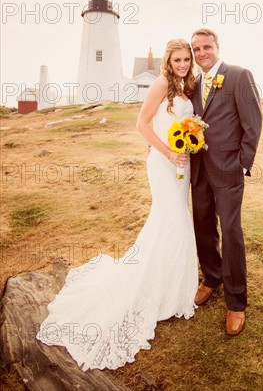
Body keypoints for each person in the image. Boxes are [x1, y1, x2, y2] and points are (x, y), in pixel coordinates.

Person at [36, 39, 198, 371]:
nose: (183, 63)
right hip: (166, 162)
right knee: (170, 220)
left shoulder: (185, 86)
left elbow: (177, 125)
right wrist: (167, 153)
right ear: (169, 61)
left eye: (187, 58)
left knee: (180, 218)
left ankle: (172, 286)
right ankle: (153, 289)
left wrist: (187, 143)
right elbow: (141, 123)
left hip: (182, 161)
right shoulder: (161, 83)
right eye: (177, 59)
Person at [190, 28, 262, 336]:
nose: (201, 53)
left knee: (231, 231)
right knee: (202, 225)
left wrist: (242, 165)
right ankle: (211, 276)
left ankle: (236, 302)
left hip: (228, 170)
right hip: (198, 169)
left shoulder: (238, 75)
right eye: (196, 49)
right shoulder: (193, 84)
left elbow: (253, 123)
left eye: (207, 46)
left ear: (218, 47)